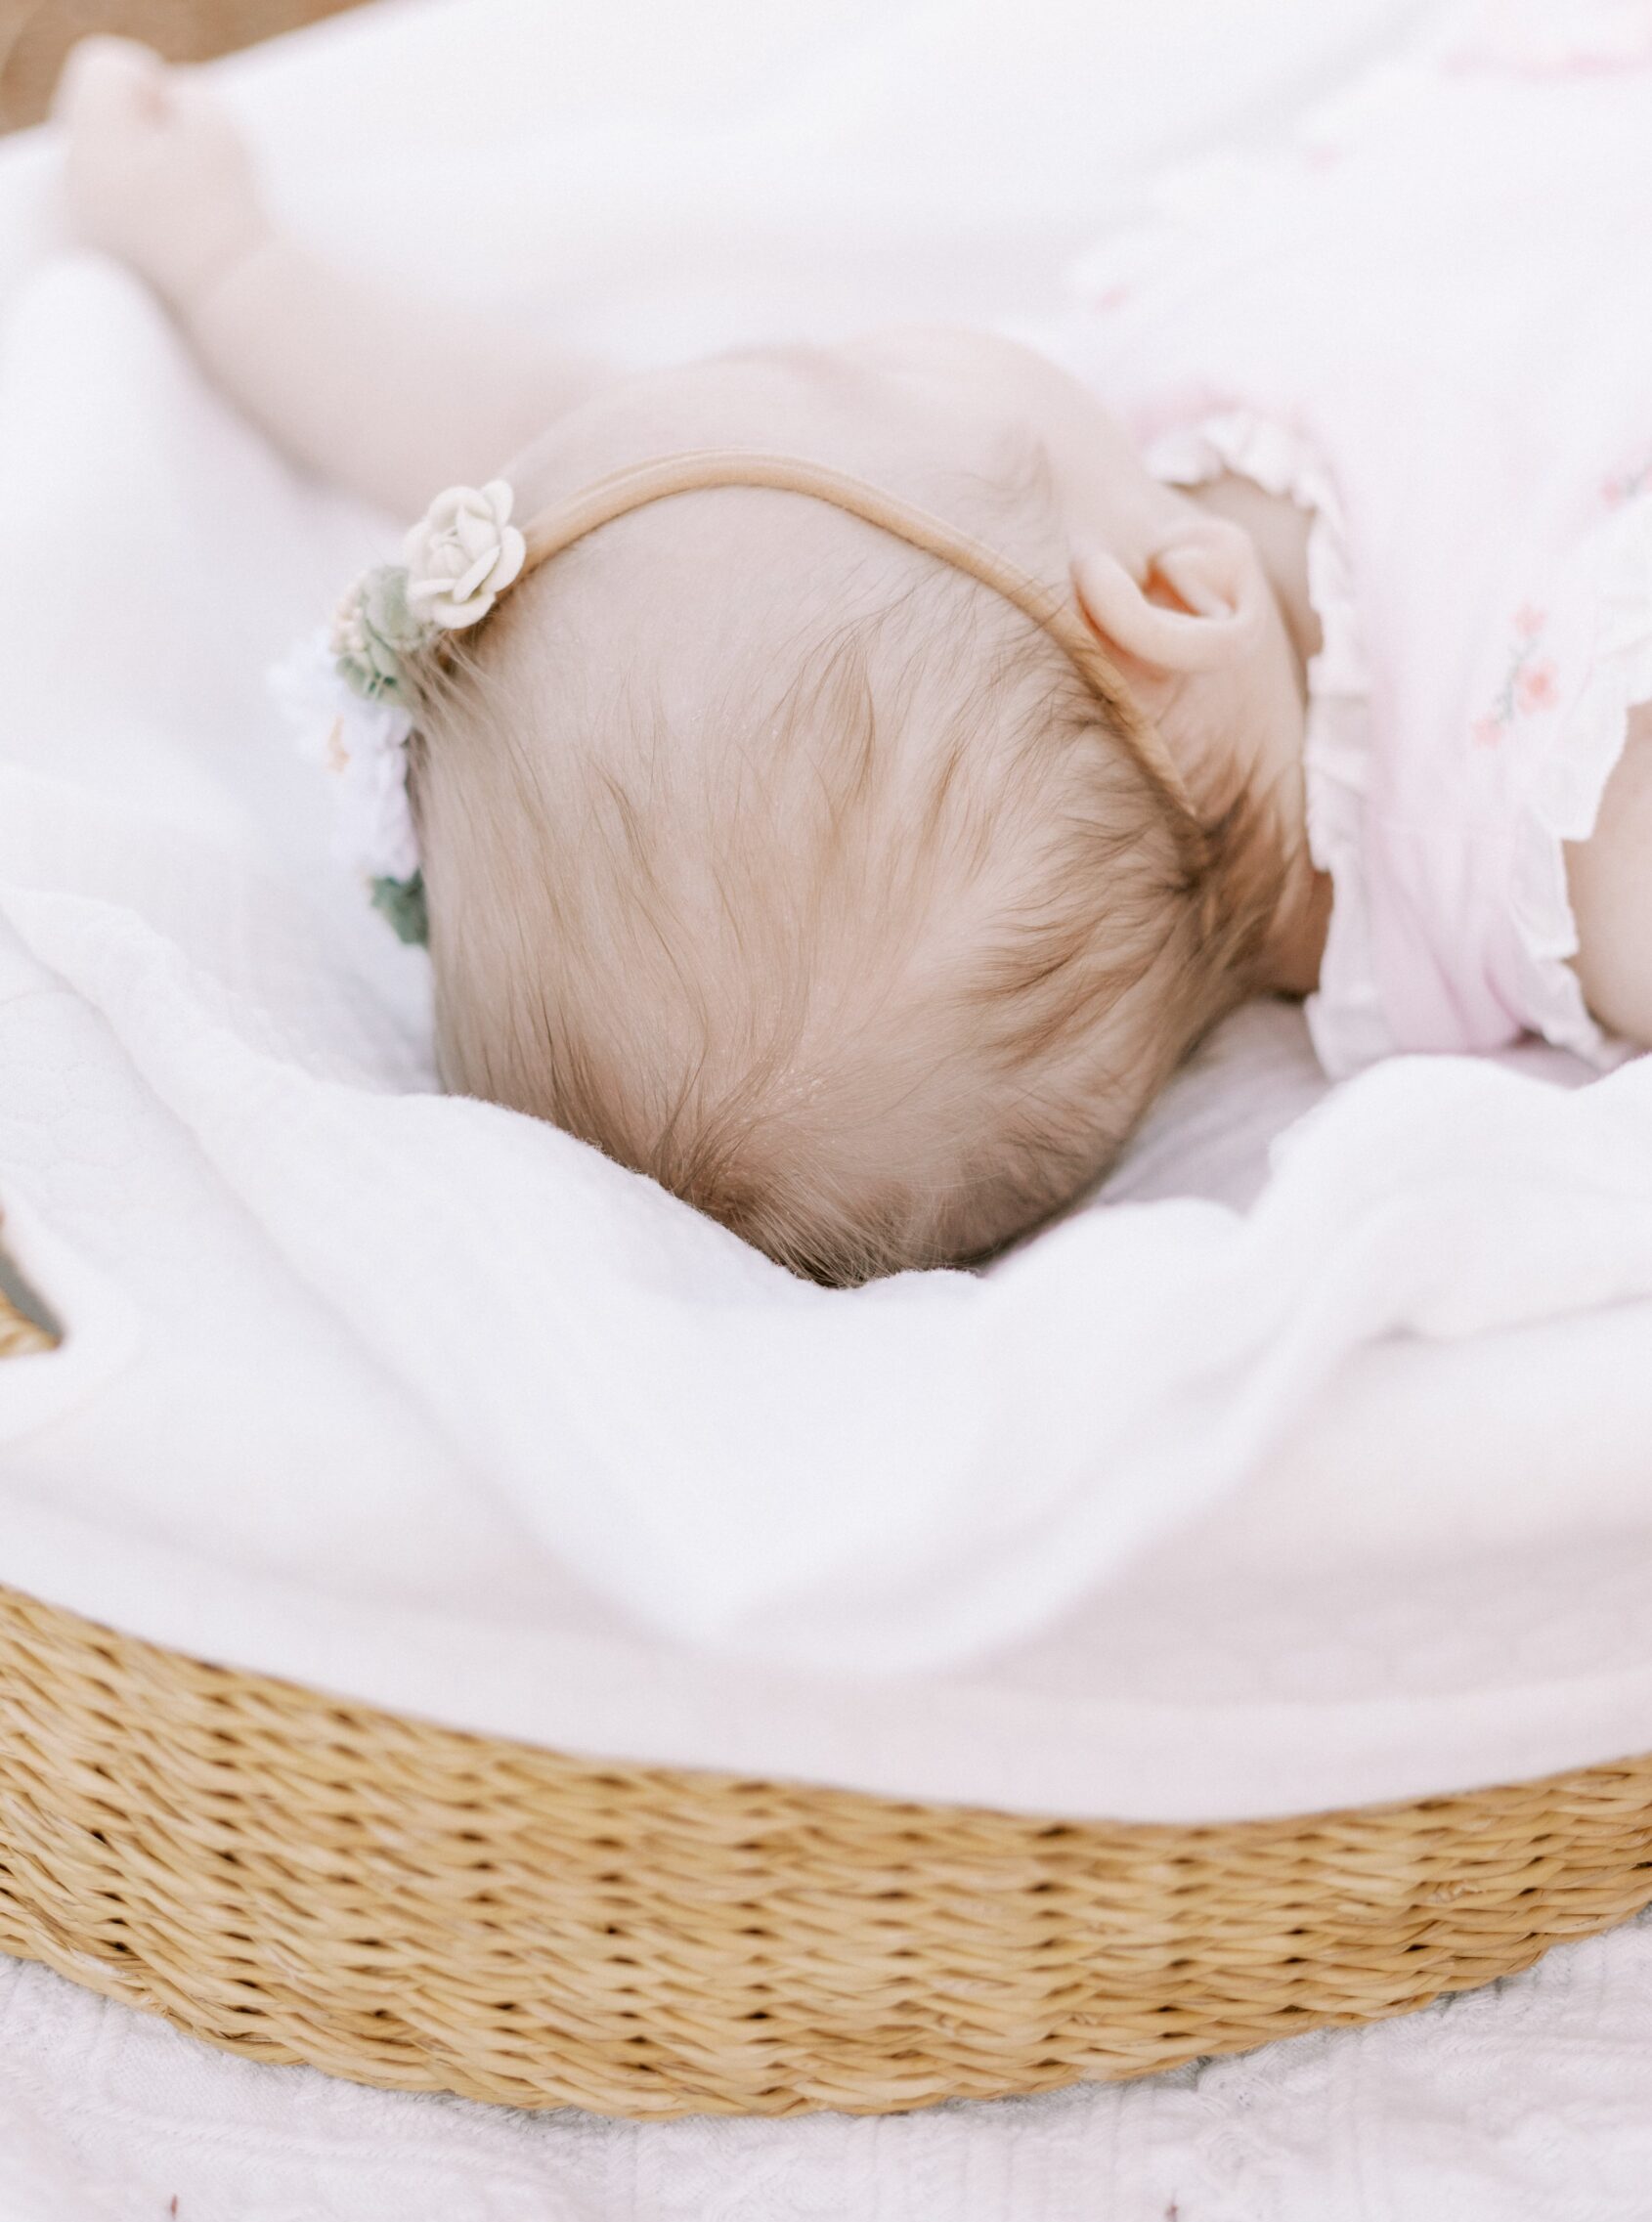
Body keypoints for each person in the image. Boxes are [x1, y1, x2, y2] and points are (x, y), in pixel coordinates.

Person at [55, 13, 1652, 1284]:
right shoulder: (1545, 814)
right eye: (840, 369)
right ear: (1160, 605)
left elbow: (523, 418)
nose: (837, 334)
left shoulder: (1065, 518)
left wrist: (224, 263)